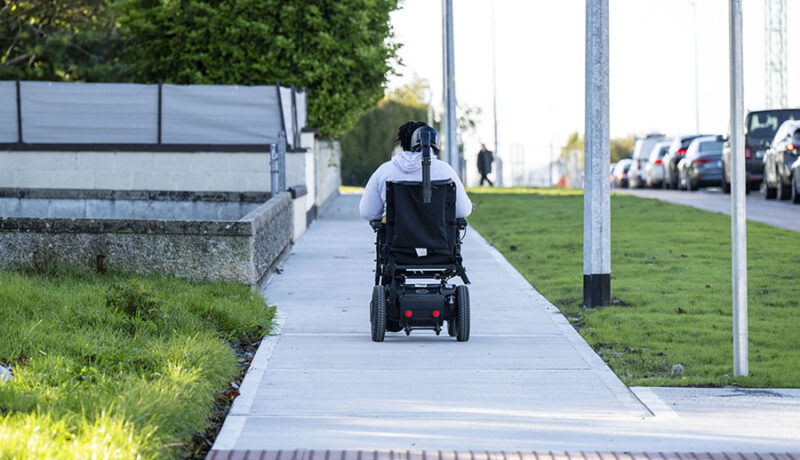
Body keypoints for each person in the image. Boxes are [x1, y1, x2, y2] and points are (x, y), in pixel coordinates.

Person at [359, 121, 472, 220]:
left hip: (396, 238)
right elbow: (463, 211)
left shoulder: (384, 170)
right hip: (438, 237)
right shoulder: (445, 170)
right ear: (429, 138)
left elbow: (368, 212)